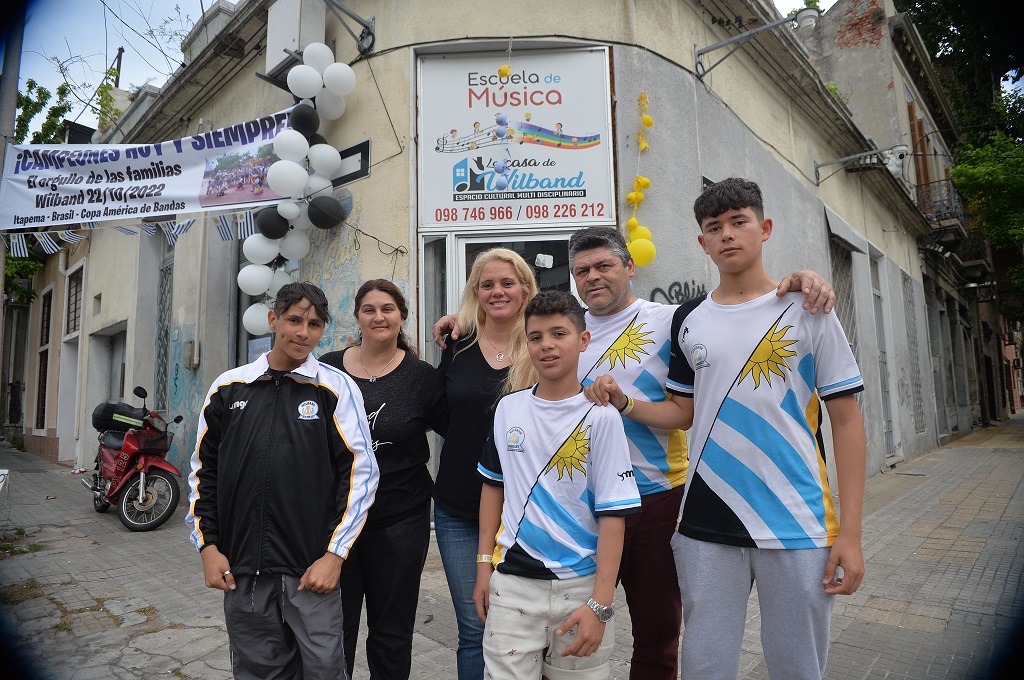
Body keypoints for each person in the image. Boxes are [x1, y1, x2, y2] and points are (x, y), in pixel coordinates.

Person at [588, 178, 866, 679]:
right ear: (702, 242)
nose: (727, 235)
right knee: (705, 666)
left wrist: (852, 532)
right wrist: (625, 403)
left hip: (797, 518)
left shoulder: (811, 310)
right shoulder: (689, 319)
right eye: (714, 228)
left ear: (765, 228)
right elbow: (682, 412)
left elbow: (846, 422)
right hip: (704, 521)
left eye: (739, 222)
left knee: (797, 668)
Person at [185, 282, 379, 680]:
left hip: (310, 570)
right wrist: (208, 546)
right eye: (294, 320)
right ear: (273, 320)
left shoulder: (335, 387)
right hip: (241, 570)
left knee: (324, 668)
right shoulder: (229, 387)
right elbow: (204, 472)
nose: (303, 332)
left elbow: (362, 473)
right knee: (259, 670)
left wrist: (334, 555)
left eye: (314, 323)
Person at [473, 291, 641, 679]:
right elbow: (492, 488)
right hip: (512, 583)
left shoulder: (601, 417)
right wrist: (484, 566)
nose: (546, 345)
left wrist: (601, 603)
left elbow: (614, 514)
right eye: (535, 337)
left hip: (580, 588)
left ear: (583, 340)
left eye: (559, 333)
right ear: (526, 344)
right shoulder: (507, 409)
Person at [319, 279, 447, 680]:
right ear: (356, 316)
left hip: (400, 520)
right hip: (334, 523)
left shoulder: (422, 377)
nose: (379, 316)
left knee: (391, 631)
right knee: (332, 630)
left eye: (388, 308)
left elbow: (451, 428)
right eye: (370, 309)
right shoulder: (327, 369)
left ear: (402, 316)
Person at [433, 248, 539, 680]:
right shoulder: (457, 345)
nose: (497, 291)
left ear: (526, 288)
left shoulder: (542, 342)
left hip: (529, 508)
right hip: (460, 506)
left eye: (507, 282)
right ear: (475, 292)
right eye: (487, 284)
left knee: (530, 626)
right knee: (475, 629)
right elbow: (442, 413)